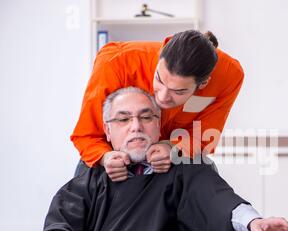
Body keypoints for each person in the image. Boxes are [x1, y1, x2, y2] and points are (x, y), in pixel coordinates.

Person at [21, 87, 288, 231]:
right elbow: (58, 226)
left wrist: (254, 223)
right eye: (123, 119)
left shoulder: (185, 170)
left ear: (158, 128)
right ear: (107, 131)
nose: (136, 126)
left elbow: (219, 201)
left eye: (146, 117)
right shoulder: (91, 177)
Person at [71, 29, 244, 181]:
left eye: (178, 91)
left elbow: (204, 136)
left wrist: (171, 147)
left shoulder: (229, 75)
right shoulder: (116, 62)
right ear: (160, 55)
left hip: (172, 157)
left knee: (206, 173)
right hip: (114, 156)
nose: (161, 97)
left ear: (203, 84)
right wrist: (105, 157)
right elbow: (87, 135)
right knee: (84, 183)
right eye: (159, 80)